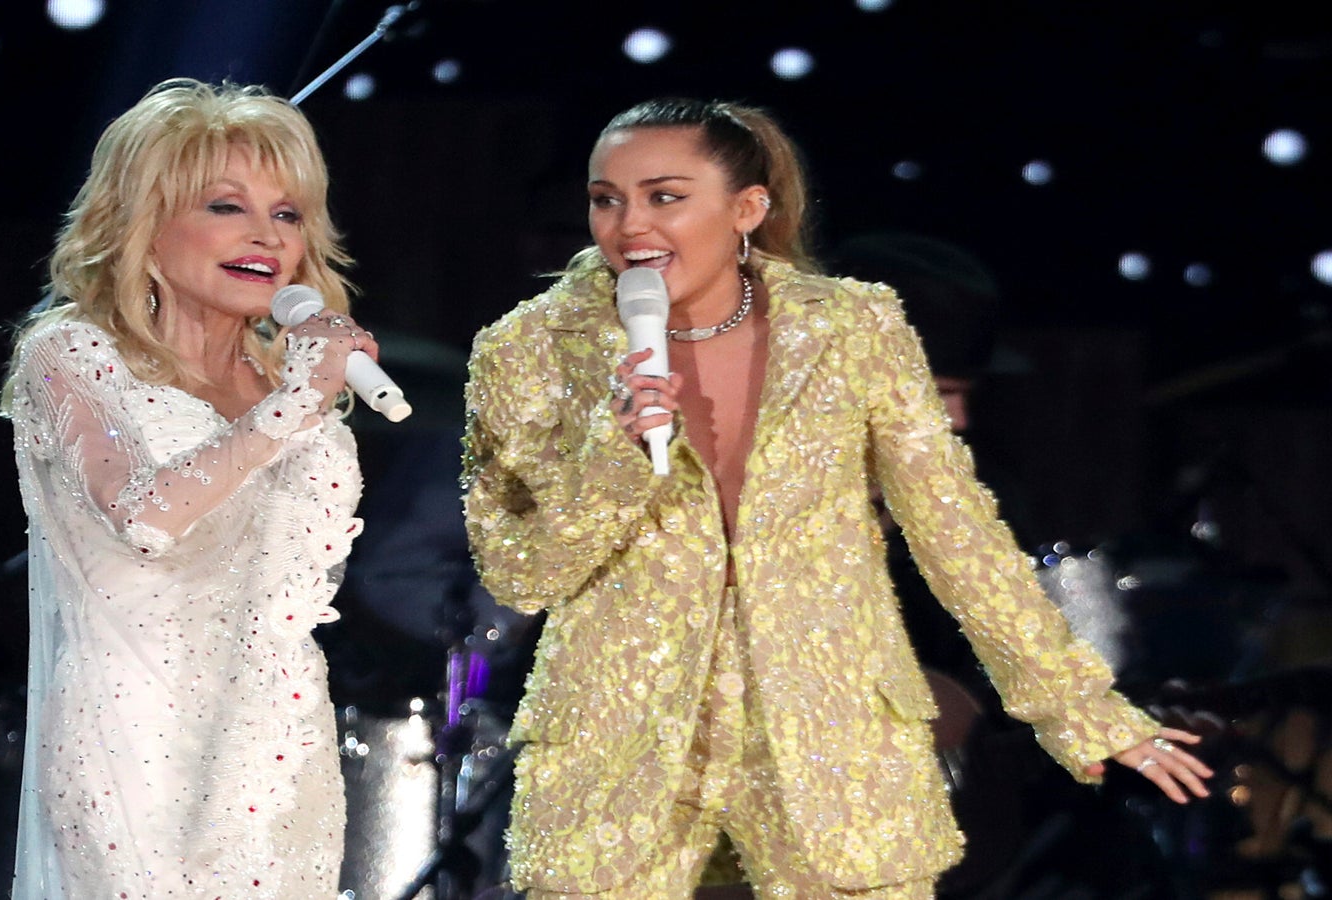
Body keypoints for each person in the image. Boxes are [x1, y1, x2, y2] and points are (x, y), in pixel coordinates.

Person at [461, 97, 1213, 900]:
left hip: (832, 743)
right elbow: (519, 571)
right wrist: (611, 454)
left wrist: (1078, 708)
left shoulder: (854, 329)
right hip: (619, 748)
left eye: (664, 197)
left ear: (747, 208)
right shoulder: (529, 348)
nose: (629, 224)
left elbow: (958, 534)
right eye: (606, 198)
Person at [0, 78, 376, 899]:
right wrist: (289, 410)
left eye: (286, 213)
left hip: (280, 750)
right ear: (145, 220)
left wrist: (294, 395)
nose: (266, 235)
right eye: (224, 206)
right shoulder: (72, 355)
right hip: (138, 747)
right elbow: (144, 516)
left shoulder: (290, 376)